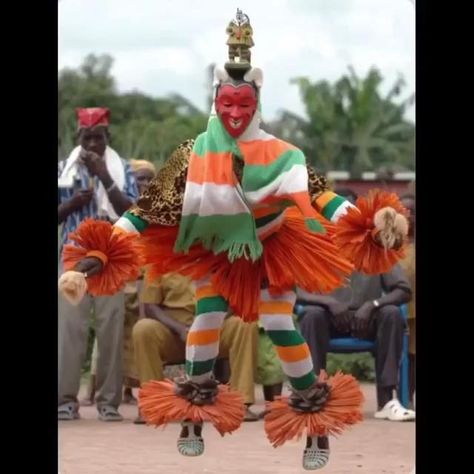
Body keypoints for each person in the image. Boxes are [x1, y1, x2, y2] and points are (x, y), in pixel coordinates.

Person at [60, 11, 409, 470]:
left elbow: (321, 197)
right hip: (217, 253)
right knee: (206, 324)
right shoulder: (193, 156)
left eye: (245, 105)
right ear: (216, 101)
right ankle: (194, 413)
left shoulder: (284, 155)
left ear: (257, 101)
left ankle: (315, 425)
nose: (236, 114)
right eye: (228, 104)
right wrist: (91, 259)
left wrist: (370, 221)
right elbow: (145, 212)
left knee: (282, 326)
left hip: (272, 250)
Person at [57, 107, 138, 422]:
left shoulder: (123, 169)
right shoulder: (63, 169)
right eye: (87, 137)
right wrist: (72, 203)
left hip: (111, 259)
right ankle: (65, 400)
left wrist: (104, 174)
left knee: (110, 330)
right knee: (70, 329)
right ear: (79, 137)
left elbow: (130, 212)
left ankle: (108, 402)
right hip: (74, 259)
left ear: (108, 137)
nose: (92, 144)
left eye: (98, 138)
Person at [132, 273, 258, 424]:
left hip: (214, 328)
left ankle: (241, 403)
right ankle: (151, 406)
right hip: (175, 333)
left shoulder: (220, 256)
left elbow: (235, 300)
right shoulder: (159, 259)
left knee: (245, 324)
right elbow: (150, 307)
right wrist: (180, 329)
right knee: (143, 329)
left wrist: (207, 325)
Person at [81, 159, 157, 407]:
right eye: (139, 178)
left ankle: (127, 391)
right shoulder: (119, 210)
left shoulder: (158, 208)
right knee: (108, 337)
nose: (144, 183)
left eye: (148, 178)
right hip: (119, 279)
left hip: (144, 280)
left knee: (134, 336)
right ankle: (93, 390)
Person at [298, 264, 415, 421]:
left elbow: (404, 290)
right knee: (311, 315)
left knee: (391, 314)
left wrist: (372, 305)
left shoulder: (376, 248)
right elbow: (294, 291)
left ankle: (387, 401)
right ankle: (313, 397)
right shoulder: (317, 246)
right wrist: (328, 302)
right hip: (329, 317)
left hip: (368, 319)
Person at [400, 192, 415, 404]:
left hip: (414, 310)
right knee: (398, 356)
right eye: (403, 211)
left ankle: (408, 397)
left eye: (412, 211)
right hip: (396, 308)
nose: (408, 214)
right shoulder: (388, 243)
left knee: (413, 355)